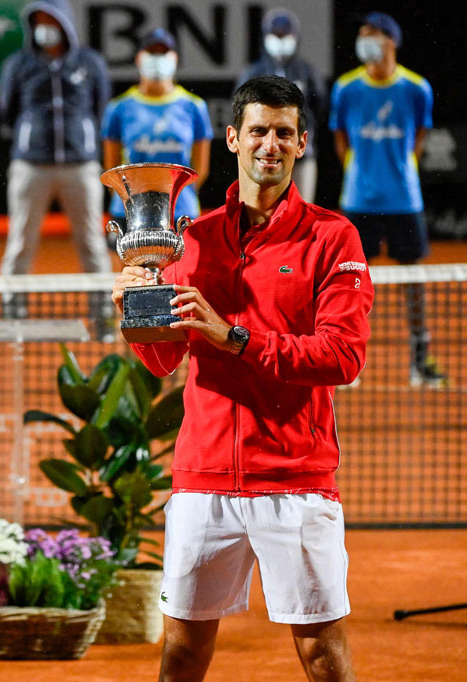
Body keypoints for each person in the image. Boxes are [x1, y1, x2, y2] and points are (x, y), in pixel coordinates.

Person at [112, 75, 373, 682]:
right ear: (232, 138)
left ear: (303, 143)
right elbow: (162, 360)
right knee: (181, 651)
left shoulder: (334, 237)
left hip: (294, 476)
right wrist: (134, 311)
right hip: (203, 475)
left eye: (284, 133)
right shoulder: (190, 239)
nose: (270, 144)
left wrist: (232, 335)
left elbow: (342, 357)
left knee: (321, 653)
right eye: (258, 130)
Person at [329, 11, 441, 387]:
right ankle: (346, 358)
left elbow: (420, 135)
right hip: (358, 199)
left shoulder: (416, 88)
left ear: (391, 40)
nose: (365, 39)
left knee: (414, 281)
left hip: (404, 200)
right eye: (361, 33)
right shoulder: (345, 88)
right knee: (349, 280)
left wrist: (401, 167)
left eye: (373, 33)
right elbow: (340, 135)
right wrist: (357, 170)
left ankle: (420, 361)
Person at [0, 0, 111, 316]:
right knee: (20, 243)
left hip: (81, 167)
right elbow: (7, 110)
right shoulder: (19, 64)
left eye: (51, 19)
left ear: (65, 23)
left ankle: (101, 314)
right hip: (30, 168)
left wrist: (79, 139)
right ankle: (13, 314)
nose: (44, 27)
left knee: (91, 243)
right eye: (38, 21)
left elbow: (100, 107)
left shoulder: (89, 63)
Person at [102, 28, 212, 243]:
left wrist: (174, 197)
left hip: (181, 211)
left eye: (163, 52)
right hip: (130, 212)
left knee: (183, 276)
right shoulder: (118, 108)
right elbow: (111, 168)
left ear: (175, 58)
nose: (157, 58)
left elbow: (201, 168)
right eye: (151, 52)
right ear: (138, 58)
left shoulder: (194, 106)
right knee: (127, 275)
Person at [235, 7, 326, 202]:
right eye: (275, 35)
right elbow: (239, 112)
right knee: (262, 212)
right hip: (262, 157)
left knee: (301, 214)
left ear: (295, 37)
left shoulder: (307, 72)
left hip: (302, 156)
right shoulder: (253, 73)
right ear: (265, 36)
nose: (280, 40)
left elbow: (319, 107)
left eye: (285, 35)